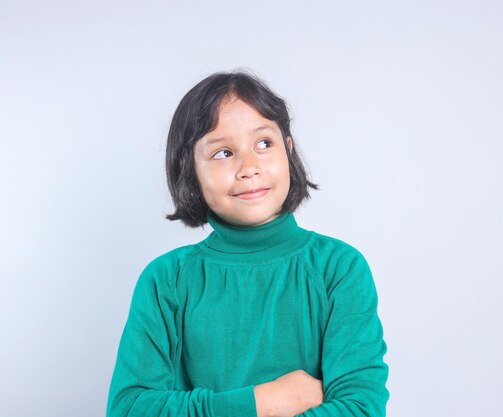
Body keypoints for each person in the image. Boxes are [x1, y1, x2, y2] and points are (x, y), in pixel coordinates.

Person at [106, 71, 390, 417]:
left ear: (288, 149)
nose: (248, 167)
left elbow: (362, 409)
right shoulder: (167, 280)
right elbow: (128, 409)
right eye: (223, 152)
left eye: (264, 144)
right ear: (190, 170)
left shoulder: (338, 269)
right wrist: (263, 402)